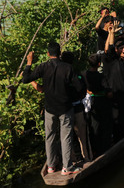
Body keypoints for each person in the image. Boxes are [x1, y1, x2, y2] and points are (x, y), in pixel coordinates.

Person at [21, 42, 83, 175]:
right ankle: (67, 167)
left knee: (50, 137)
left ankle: (51, 165)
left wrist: (29, 62)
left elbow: (25, 79)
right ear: (59, 53)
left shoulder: (43, 67)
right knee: (65, 137)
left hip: (50, 108)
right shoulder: (68, 68)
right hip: (65, 107)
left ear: (48, 54)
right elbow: (78, 88)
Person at [104, 23, 124, 142]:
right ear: (117, 51)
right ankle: (115, 139)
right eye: (121, 48)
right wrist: (111, 33)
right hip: (114, 96)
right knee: (115, 119)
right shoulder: (113, 61)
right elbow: (110, 48)